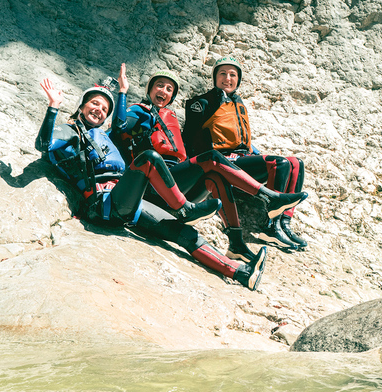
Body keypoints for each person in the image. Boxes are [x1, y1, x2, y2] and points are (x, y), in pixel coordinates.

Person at [35, 75, 266, 290]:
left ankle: (241, 273)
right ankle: (184, 208)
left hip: (127, 205)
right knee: (149, 159)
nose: (99, 110)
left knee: (184, 234)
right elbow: (43, 144)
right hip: (103, 204)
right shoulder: (71, 131)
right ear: (81, 106)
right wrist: (53, 107)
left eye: (104, 109)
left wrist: (122, 92)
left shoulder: (102, 137)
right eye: (94, 104)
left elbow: (121, 129)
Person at [111, 64, 307, 264]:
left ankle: (236, 243)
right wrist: (122, 92)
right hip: (154, 185)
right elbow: (118, 127)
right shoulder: (140, 111)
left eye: (169, 89)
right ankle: (269, 198)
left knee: (215, 177)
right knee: (211, 157)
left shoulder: (168, 117)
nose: (164, 91)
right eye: (159, 86)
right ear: (150, 89)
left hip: (177, 187)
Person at [183, 56, 308, 251]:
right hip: (225, 162)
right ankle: (269, 227)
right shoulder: (203, 102)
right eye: (222, 74)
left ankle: (283, 224)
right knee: (280, 163)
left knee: (296, 163)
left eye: (233, 75)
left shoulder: (237, 103)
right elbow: (191, 138)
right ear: (215, 77)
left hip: (243, 159)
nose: (228, 78)